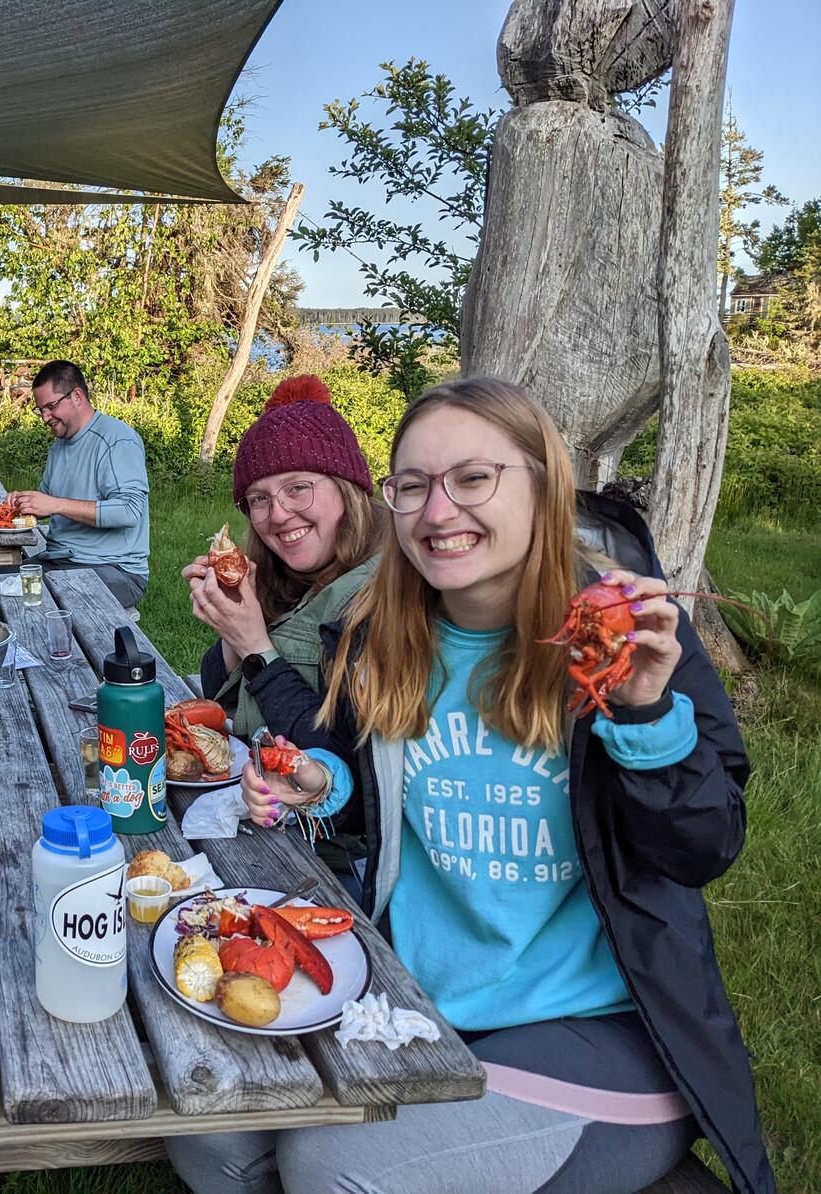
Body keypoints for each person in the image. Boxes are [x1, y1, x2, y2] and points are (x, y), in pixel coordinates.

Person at [171, 378, 773, 1194]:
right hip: (416, 992)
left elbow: (701, 846)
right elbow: (364, 777)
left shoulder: (619, 636)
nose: (438, 509)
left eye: (473, 478)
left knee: (328, 1169)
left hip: (594, 1025)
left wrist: (642, 713)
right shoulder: (383, 630)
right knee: (212, 1136)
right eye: (413, 486)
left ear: (543, 485)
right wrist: (317, 781)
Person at [183, 375, 385, 884]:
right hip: (261, 817)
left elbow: (353, 769)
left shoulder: (382, 595)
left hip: (333, 858)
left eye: (298, 487)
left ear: (347, 488)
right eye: (257, 498)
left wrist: (256, 647)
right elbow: (223, 698)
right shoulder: (289, 575)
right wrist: (231, 623)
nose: (277, 515)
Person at [8, 359, 150, 607]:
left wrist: (55, 505)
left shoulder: (116, 440)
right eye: (41, 410)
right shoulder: (59, 446)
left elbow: (129, 511)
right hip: (61, 560)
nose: (45, 417)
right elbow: (49, 499)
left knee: (41, 600)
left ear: (77, 396)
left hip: (115, 570)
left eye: (50, 406)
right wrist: (25, 503)